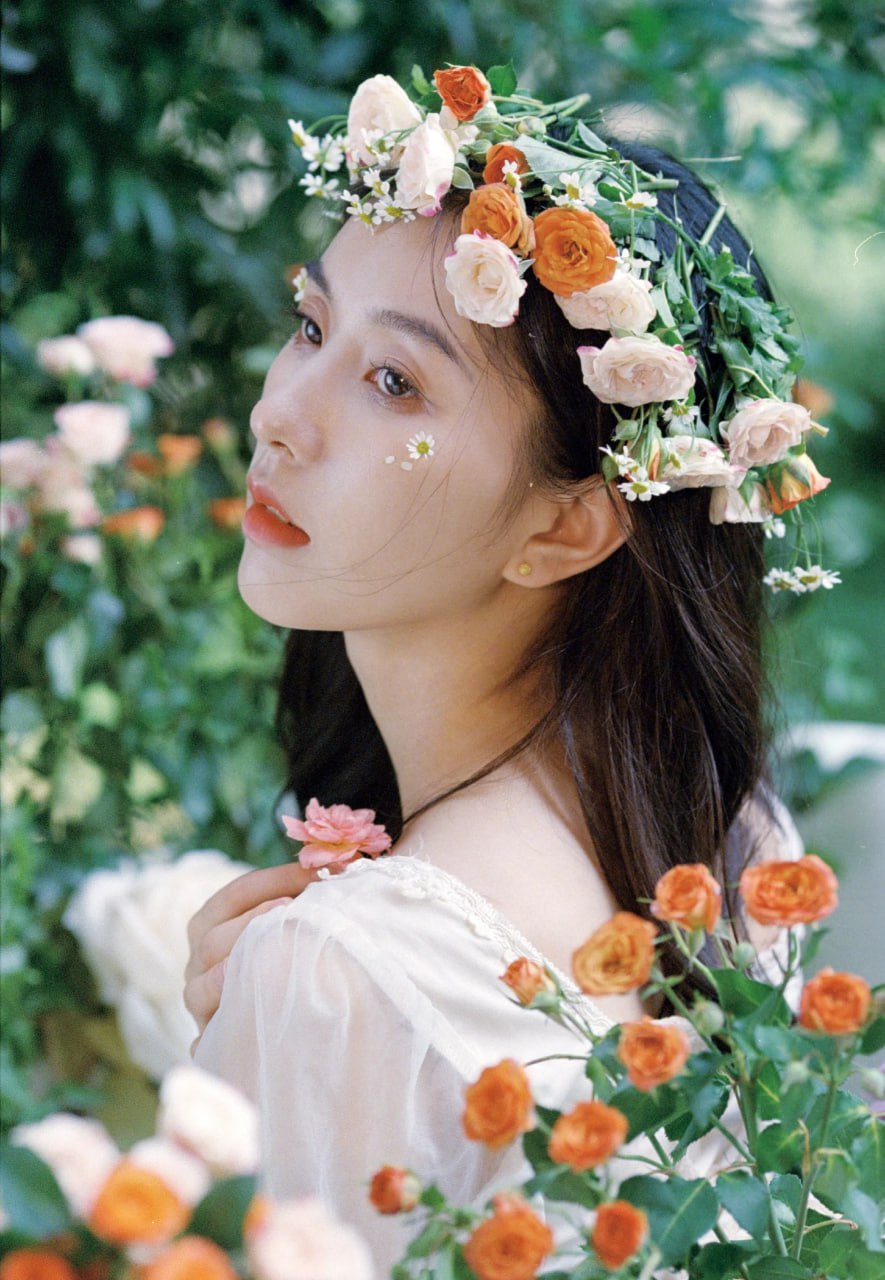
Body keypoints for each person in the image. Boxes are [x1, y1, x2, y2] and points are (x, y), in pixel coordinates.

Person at [184, 65, 831, 1269]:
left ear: (567, 525)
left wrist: (299, 1016)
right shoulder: (722, 844)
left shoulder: (336, 967)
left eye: (394, 382)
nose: (282, 416)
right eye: (311, 326)